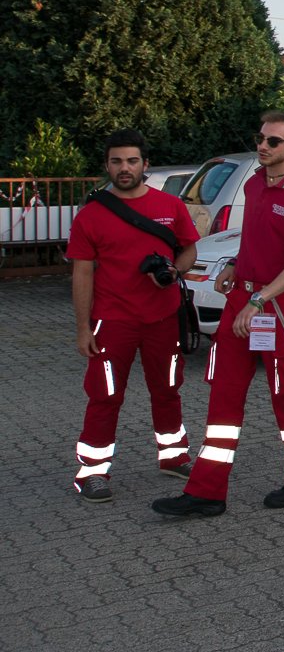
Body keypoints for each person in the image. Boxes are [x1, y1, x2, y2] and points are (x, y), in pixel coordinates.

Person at [154, 111, 284, 518]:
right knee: (223, 395)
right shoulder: (253, 183)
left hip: (274, 309)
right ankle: (207, 492)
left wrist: (260, 299)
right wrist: (233, 263)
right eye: (261, 138)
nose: (263, 146)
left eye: (273, 141)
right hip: (242, 303)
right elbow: (257, 239)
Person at [66, 129, 200, 503]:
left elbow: (189, 252)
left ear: (145, 164)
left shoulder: (170, 206)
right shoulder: (92, 215)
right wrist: (82, 329)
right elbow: (82, 272)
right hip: (113, 322)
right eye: (116, 161)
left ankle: (174, 456)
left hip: (163, 318)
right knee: (105, 396)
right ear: (107, 165)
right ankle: (91, 472)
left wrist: (174, 271)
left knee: (168, 390)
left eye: (131, 161)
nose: (124, 168)